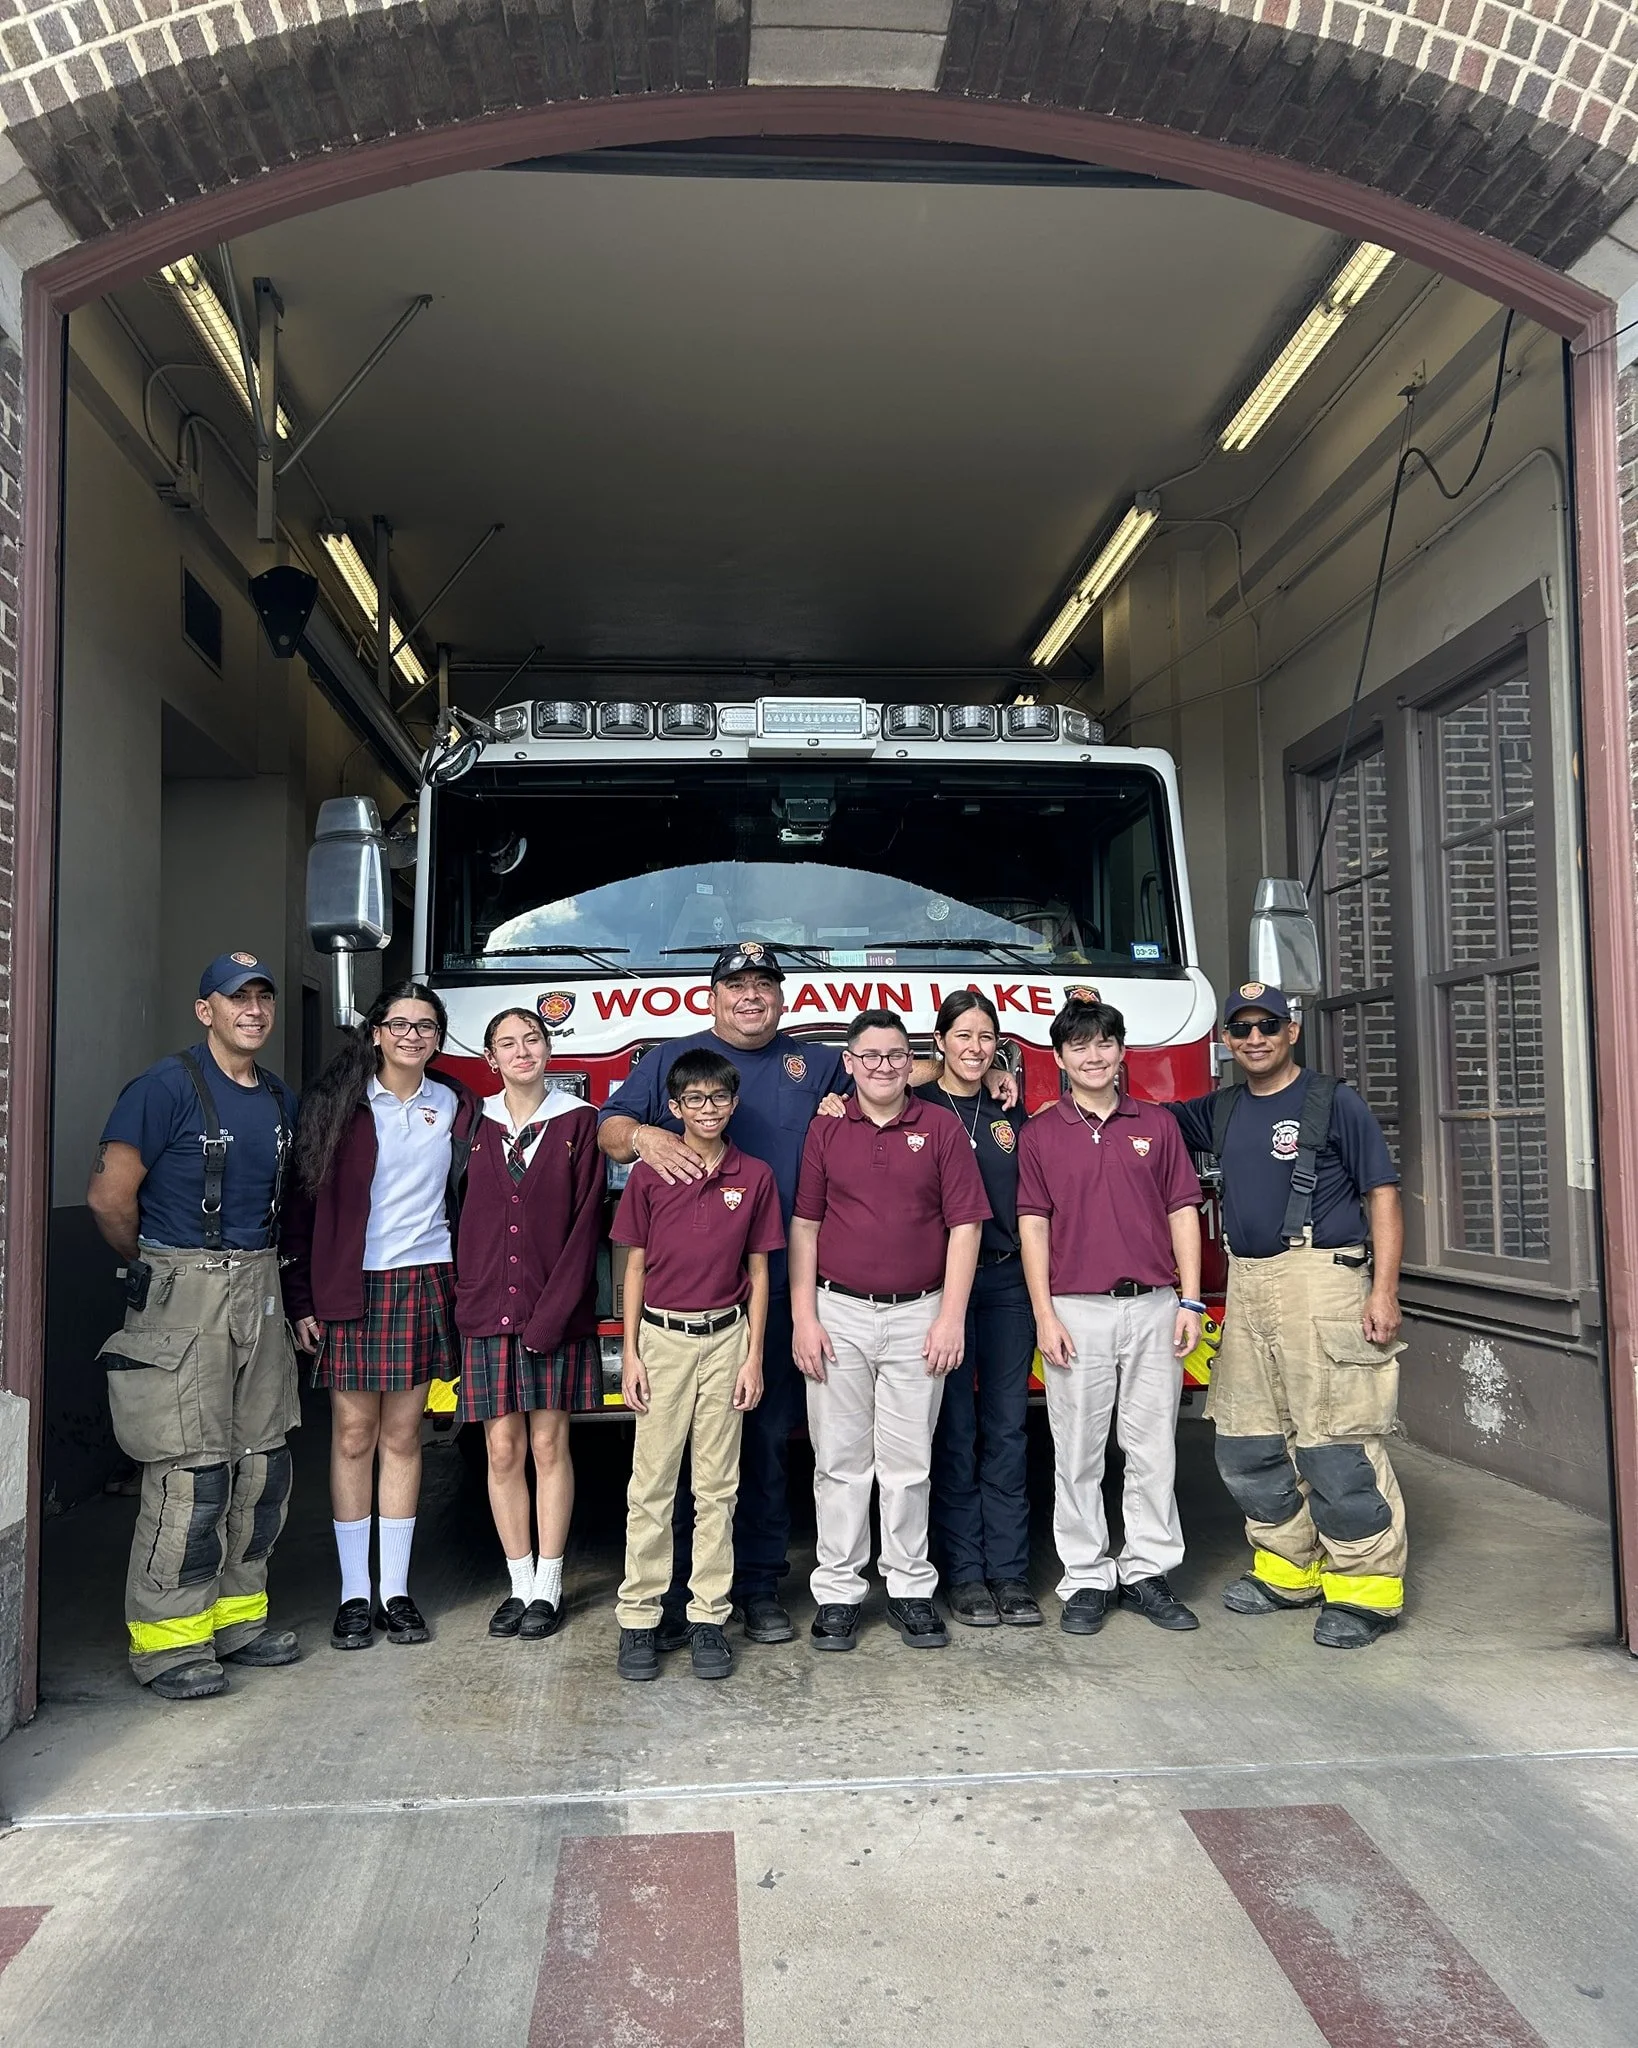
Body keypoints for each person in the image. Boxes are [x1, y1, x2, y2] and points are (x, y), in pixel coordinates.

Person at [598, 942, 1017, 1647]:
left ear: (781, 998)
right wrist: (642, 1135)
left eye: (764, 986)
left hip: (798, 1290)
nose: (751, 997)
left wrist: (990, 1073)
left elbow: (888, 1070)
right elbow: (608, 1128)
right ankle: (673, 1597)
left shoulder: (817, 1060)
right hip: (716, 1290)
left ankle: (759, 1587)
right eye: (738, 987)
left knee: (769, 1443)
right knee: (687, 1455)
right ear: (713, 997)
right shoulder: (671, 1058)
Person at [88, 952, 302, 1701]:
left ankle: (237, 1622)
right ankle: (170, 1643)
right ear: (203, 1009)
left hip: (262, 1286)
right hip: (184, 1289)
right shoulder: (162, 1088)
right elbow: (112, 1199)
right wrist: (164, 1270)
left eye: (262, 997)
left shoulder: (278, 1097)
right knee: (191, 1472)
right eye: (235, 997)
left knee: (262, 1464)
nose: (252, 1009)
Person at [1169, 982, 1406, 1649]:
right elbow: (1134, 1116)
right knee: (1249, 1440)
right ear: (1225, 1040)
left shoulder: (1336, 1103)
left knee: (1335, 1439)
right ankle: (1288, 1568)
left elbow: (1382, 1195)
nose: (1254, 1039)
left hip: (1321, 1281)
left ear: (1291, 1030)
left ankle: (1365, 1589)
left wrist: (1382, 1292)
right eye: (1240, 1029)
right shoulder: (1218, 1111)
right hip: (1247, 1284)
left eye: (1266, 1025)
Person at [282, 982, 483, 1651]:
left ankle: (395, 1593)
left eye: (427, 1026)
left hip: (427, 1283)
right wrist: (301, 1299)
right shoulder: (338, 1106)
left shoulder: (457, 1104)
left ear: (438, 1037)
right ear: (374, 1033)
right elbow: (301, 1208)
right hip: (352, 1285)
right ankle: (352, 1596)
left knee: (404, 1437)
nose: (412, 1035)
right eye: (399, 1024)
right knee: (350, 1435)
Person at [790, 1010, 989, 1652]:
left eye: (895, 1055)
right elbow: (806, 1226)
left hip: (918, 1317)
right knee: (840, 1462)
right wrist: (804, 1318)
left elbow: (966, 1225)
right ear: (848, 1063)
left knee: (908, 1465)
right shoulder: (825, 1130)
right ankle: (839, 1593)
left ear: (913, 1062)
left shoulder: (940, 1128)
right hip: (838, 1315)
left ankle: (908, 1589)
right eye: (869, 1055)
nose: (882, 1065)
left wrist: (950, 1316)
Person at [1017, 997, 1205, 1638]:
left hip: (1154, 1306)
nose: (1093, 1057)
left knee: (1152, 1448)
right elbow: (1033, 1226)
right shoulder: (1041, 1134)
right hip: (1075, 1311)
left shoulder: (1157, 1123)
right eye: (1079, 1047)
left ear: (1122, 1051)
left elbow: (1184, 1209)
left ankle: (1149, 1570)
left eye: (1104, 1044)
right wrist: (1044, 1314)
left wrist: (1191, 1299)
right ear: (1061, 1058)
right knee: (1076, 1451)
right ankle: (1087, 1576)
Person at [610, 1049, 784, 1682]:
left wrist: (753, 1356)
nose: (707, 1109)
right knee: (651, 1485)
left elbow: (759, 1273)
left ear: (733, 1105)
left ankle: (709, 1615)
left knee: (718, 1487)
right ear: (674, 1108)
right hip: (661, 1341)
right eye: (694, 1100)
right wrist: (630, 1353)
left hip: (727, 1340)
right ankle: (640, 1618)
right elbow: (632, 1266)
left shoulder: (755, 1175)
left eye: (719, 1098)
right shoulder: (653, 1175)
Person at [456, 1007, 603, 1642]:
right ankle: (517, 1582)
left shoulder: (580, 1123)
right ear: (490, 1058)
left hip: (554, 1312)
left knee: (548, 1447)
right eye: (507, 1044)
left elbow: (585, 1227)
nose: (522, 1052)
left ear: (549, 1048)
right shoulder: (470, 1125)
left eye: (533, 1040)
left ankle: (549, 1583)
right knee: (501, 1448)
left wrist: (555, 1315)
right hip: (487, 1310)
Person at [916, 991, 1040, 1628]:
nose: (974, 1048)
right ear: (938, 1042)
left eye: (986, 1037)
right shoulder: (914, 1104)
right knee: (954, 1433)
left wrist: (1002, 1080)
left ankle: (1010, 1573)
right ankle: (963, 1575)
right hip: (937, 1296)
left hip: (1007, 1287)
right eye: (961, 1036)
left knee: (1007, 1430)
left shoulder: (1009, 1108)